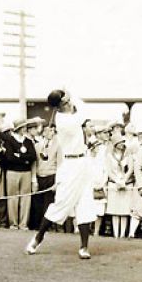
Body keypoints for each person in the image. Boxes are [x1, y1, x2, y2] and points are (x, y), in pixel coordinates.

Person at [25, 89, 96, 259]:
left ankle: (84, 247)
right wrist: (70, 93)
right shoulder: (64, 121)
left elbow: (80, 106)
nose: (71, 102)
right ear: (61, 105)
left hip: (83, 162)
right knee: (61, 203)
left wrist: (67, 94)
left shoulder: (69, 113)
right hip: (70, 165)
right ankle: (38, 238)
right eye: (67, 101)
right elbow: (83, 110)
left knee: (85, 202)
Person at [3, 118, 38, 230]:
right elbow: (9, 157)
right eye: (23, 127)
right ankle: (13, 223)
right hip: (12, 172)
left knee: (26, 198)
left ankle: (23, 224)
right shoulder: (9, 140)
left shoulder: (28, 141)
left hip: (26, 173)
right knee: (13, 198)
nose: (24, 129)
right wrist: (24, 158)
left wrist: (19, 156)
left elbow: (32, 156)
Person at [31, 123, 62, 230]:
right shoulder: (37, 145)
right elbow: (34, 164)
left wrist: (56, 182)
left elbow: (59, 164)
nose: (51, 133)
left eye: (53, 131)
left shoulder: (58, 146)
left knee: (49, 204)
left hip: (51, 177)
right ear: (43, 132)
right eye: (49, 130)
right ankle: (37, 226)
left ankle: (47, 227)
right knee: (38, 204)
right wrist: (34, 180)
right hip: (40, 177)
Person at [105, 137, 134, 238]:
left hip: (126, 183)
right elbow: (109, 171)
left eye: (123, 142)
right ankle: (116, 233)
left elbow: (130, 169)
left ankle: (122, 234)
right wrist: (117, 181)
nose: (122, 144)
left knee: (124, 210)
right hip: (114, 184)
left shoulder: (128, 155)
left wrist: (124, 180)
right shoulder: (109, 156)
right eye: (120, 142)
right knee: (115, 210)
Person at [87, 138, 109, 237]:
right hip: (89, 187)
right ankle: (87, 230)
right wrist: (92, 185)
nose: (98, 148)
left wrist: (101, 183)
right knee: (88, 209)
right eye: (97, 146)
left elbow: (105, 172)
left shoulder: (102, 159)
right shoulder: (86, 159)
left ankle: (96, 231)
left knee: (99, 211)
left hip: (100, 186)